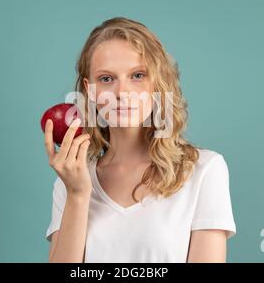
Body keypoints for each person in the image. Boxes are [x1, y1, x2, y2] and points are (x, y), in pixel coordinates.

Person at [44, 17, 236, 263]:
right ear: (89, 89)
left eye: (137, 75)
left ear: (157, 82)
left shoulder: (204, 170)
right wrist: (78, 195)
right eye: (106, 79)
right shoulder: (70, 182)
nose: (122, 93)